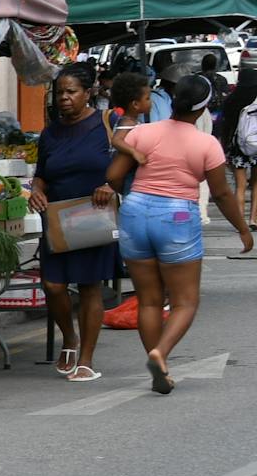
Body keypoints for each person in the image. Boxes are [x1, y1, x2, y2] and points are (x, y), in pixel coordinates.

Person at [106, 72, 255, 393]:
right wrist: (242, 229)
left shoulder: (143, 132)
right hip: (176, 216)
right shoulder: (206, 144)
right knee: (185, 301)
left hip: (135, 212)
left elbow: (114, 176)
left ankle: (156, 362)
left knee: (148, 301)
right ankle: (161, 353)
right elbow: (221, 194)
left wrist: (133, 200)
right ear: (202, 109)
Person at [26, 67, 119, 383]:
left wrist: (111, 184)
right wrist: (36, 189)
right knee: (52, 284)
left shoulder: (107, 123)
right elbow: (41, 172)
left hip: (94, 213)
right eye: (60, 93)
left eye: (71, 92)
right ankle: (69, 337)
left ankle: (87, 359)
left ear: (88, 91)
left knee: (90, 285)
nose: (64, 98)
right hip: (56, 215)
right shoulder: (50, 133)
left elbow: (132, 160)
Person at [214, 65, 257, 223]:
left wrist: (224, 146)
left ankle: (239, 220)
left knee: (240, 185)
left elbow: (224, 126)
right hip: (256, 145)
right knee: (256, 185)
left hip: (238, 146)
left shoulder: (231, 100)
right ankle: (254, 219)